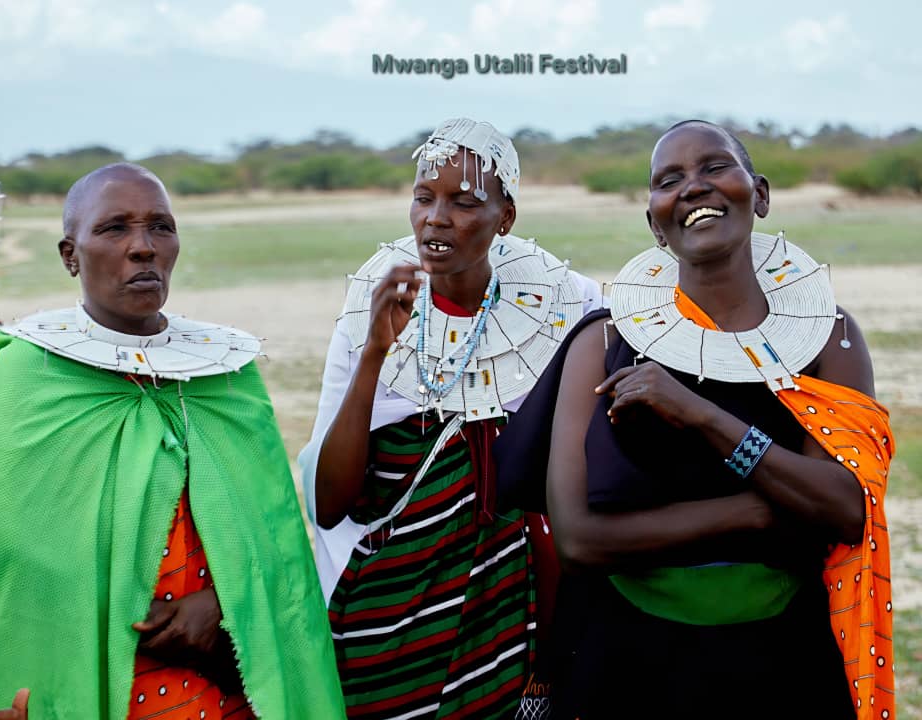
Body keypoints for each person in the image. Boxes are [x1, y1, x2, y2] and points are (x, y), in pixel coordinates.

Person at [494, 120, 895, 720]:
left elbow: (843, 510)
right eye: (669, 180)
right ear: (655, 223)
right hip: (628, 658)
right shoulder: (603, 341)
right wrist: (772, 511)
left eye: (714, 168)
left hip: (783, 656)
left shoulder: (826, 339)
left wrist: (702, 416)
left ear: (758, 194)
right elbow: (579, 541)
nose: (693, 188)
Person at [0, 163, 346, 719]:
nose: (143, 248)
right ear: (70, 254)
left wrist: (227, 607)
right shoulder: (21, 381)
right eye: (114, 229)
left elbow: (274, 552)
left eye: (160, 226)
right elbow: (17, 560)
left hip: (228, 688)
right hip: (85, 688)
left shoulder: (225, 377)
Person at [298, 118, 600, 718]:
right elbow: (328, 504)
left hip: (520, 615)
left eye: (464, 202)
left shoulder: (569, 307)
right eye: (423, 198)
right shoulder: (373, 302)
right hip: (387, 610)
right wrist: (375, 352)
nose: (436, 218)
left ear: (504, 216)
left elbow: (583, 475)